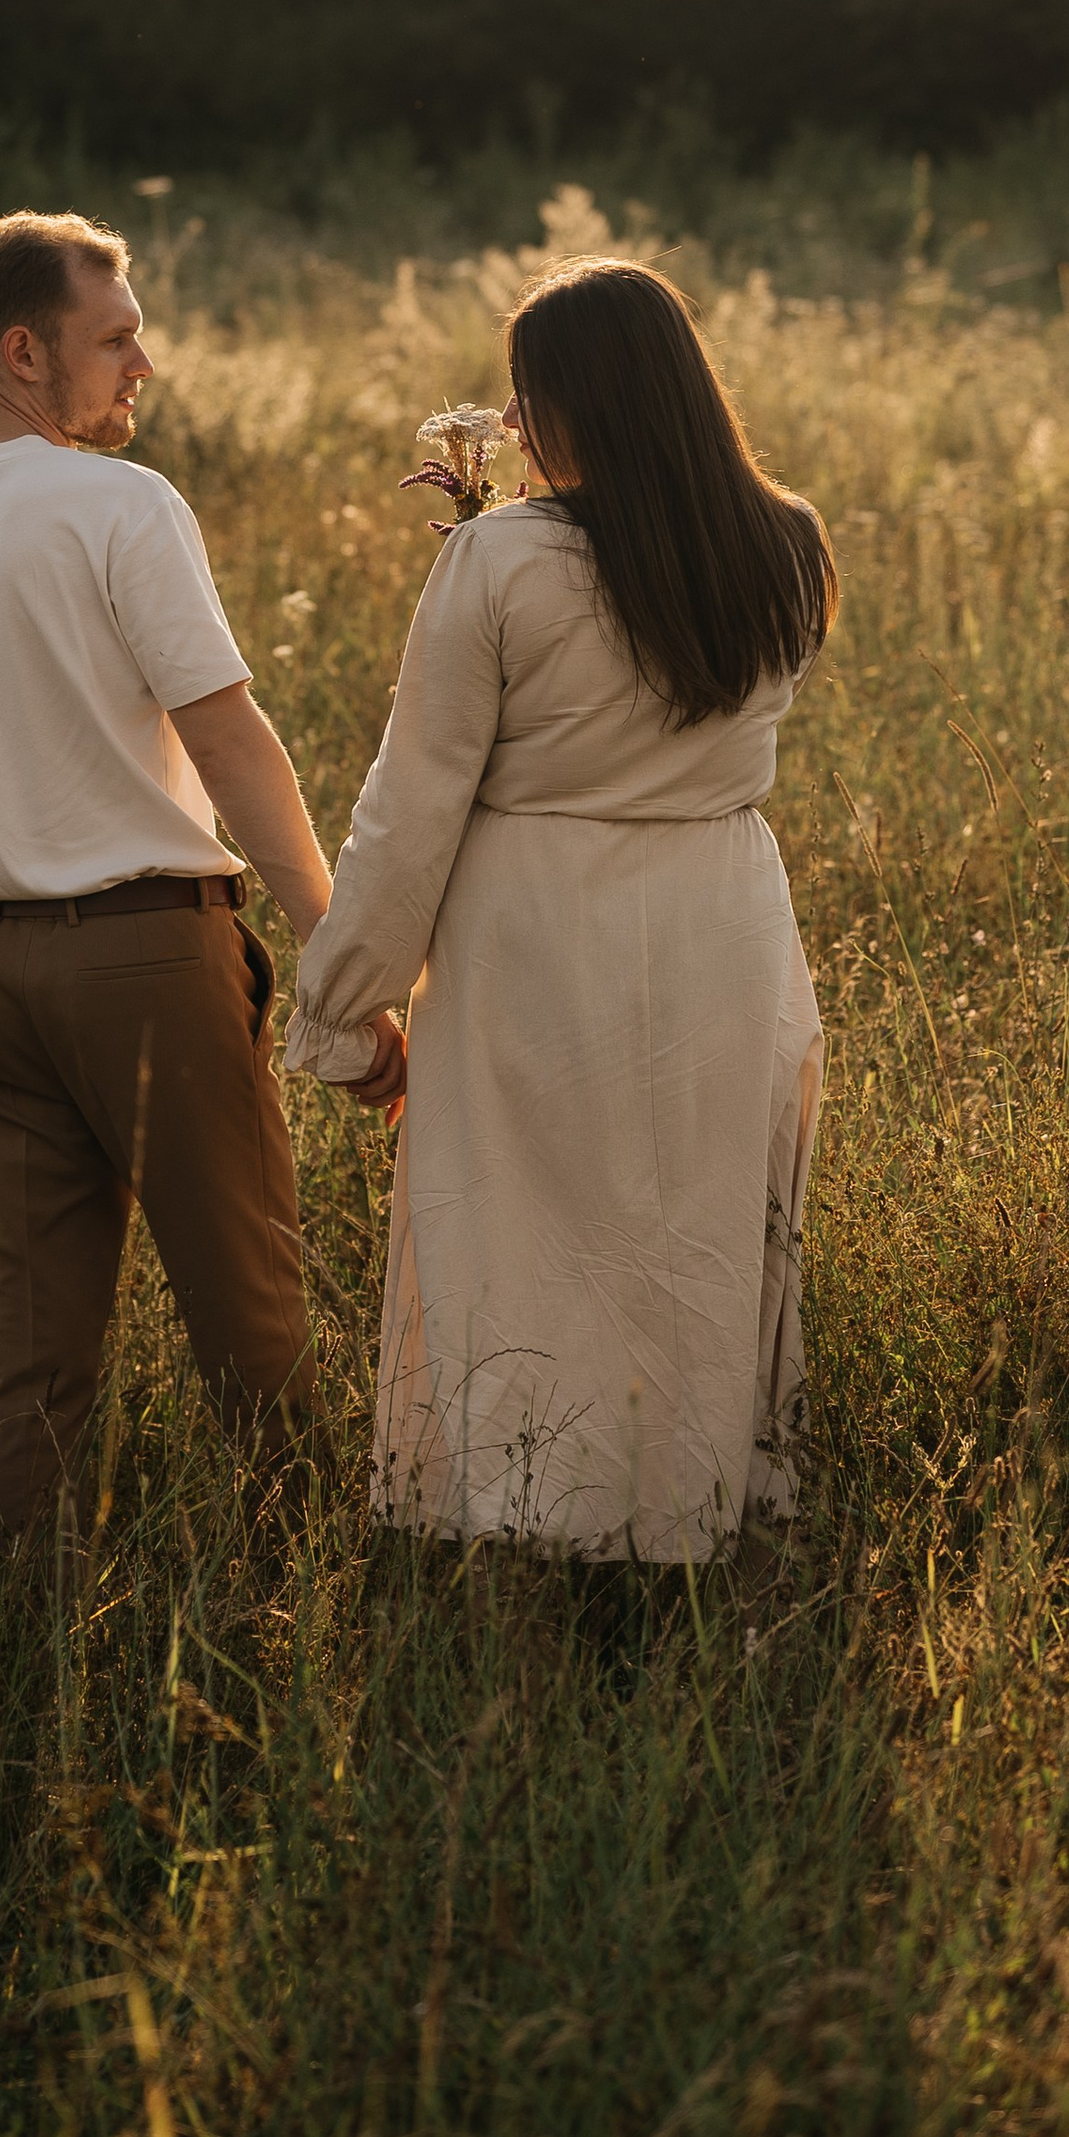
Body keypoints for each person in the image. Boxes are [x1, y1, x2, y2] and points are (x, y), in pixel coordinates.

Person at [0, 209, 401, 1552]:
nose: (143, 363)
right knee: (254, 1326)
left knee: (29, 1374)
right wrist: (344, 957)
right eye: (116, 337)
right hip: (147, 963)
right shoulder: (120, 507)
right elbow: (225, 736)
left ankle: (17, 1674)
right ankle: (306, 1622)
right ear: (24, 351)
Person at [284, 259, 833, 1568]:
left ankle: (529, 1531)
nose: (513, 427)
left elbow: (412, 809)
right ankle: (692, 1524)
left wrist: (342, 1010)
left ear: (582, 403)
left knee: (527, 1247)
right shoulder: (787, 545)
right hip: (725, 926)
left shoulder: (497, 562)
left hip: (540, 934)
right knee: (696, 1231)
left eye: (528, 400)